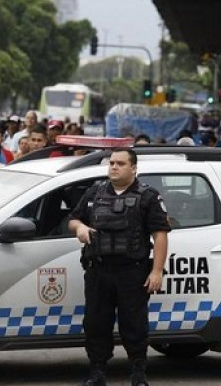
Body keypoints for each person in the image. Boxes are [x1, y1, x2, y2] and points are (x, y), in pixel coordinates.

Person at [68, 148, 170, 386]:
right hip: (98, 270)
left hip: (132, 272)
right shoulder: (95, 192)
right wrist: (79, 228)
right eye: (112, 163)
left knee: (134, 324)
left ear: (133, 168)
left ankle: (138, 374)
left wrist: (157, 271)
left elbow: (161, 235)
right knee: (95, 323)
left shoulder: (148, 196)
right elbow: (74, 218)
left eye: (120, 163)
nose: (114, 167)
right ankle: (97, 373)